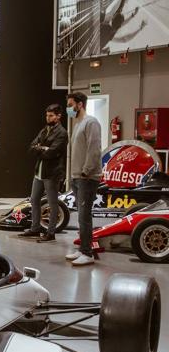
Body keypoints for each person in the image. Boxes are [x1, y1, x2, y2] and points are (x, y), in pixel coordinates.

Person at [19, 104, 68, 242]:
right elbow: (31, 147)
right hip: (39, 172)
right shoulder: (44, 130)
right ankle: (35, 229)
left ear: (58, 116)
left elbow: (52, 153)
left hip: (52, 173)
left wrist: (40, 148)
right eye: (47, 115)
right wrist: (42, 148)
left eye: (51, 115)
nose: (48, 118)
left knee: (53, 204)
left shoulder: (62, 133)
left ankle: (50, 233)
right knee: (34, 199)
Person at [65, 92, 102, 266]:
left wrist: (86, 171)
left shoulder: (91, 122)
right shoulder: (78, 123)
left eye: (70, 104)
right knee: (81, 216)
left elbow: (94, 149)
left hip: (86, 177)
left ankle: (88, 253)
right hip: (77, 177)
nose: (68, 108)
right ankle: (83, 249)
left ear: (79, 105)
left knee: (85, 216)